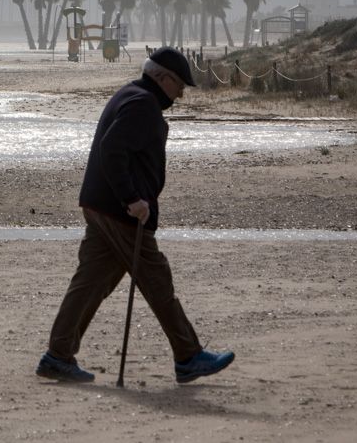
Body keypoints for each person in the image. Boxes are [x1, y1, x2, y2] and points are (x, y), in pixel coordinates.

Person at [36, 47, 235, 384]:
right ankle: (188, 356)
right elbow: (112, 150)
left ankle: (58, 355)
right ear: (161, 77)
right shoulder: (142, 103)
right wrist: (133, 199)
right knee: (157, 280)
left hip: (100, 205)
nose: (182, 92)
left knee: (89, 284)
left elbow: (114, 150)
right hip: (120, 213)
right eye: (179, 84)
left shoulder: (131, 95)